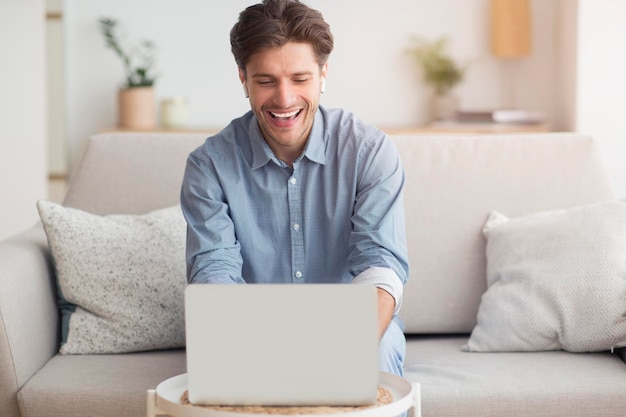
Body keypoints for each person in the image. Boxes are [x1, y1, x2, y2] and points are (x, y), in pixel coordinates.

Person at [180, 0, 409, 377]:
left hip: (352, 326)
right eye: (266, 81)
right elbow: (214, 269)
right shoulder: (209, 165)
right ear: (243, 79)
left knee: (373, 363)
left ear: (323, 75)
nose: (284, 100)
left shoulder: (369, 152)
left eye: (300, 79)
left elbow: (379, 263)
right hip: (249, 331)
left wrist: (337, 352)